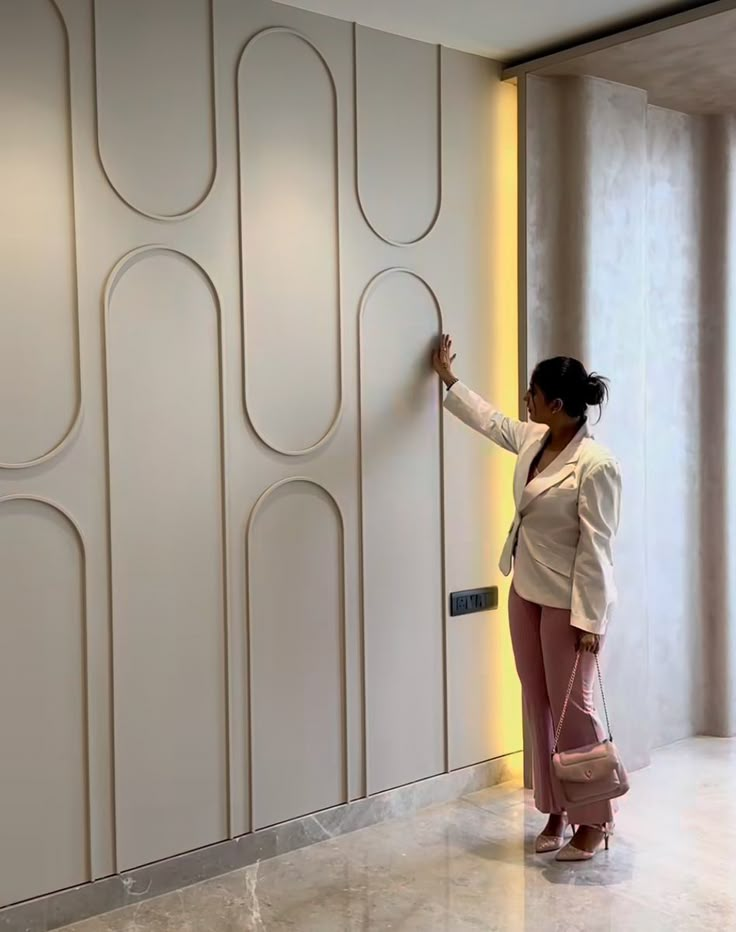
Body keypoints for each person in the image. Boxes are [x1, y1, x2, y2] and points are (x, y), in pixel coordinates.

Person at [432, 334, 622, 862]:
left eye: (532, 394)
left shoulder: (596, 464)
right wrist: (450, 380)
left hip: (569, 603)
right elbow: (491, 421)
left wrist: (589, 621)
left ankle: (595, 819)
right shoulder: (536, 440)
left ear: (556, 405)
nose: (525, 401)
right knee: (538, 704)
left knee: (575, 710)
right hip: (526, 591)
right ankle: (556, 809)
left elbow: (597, 548)